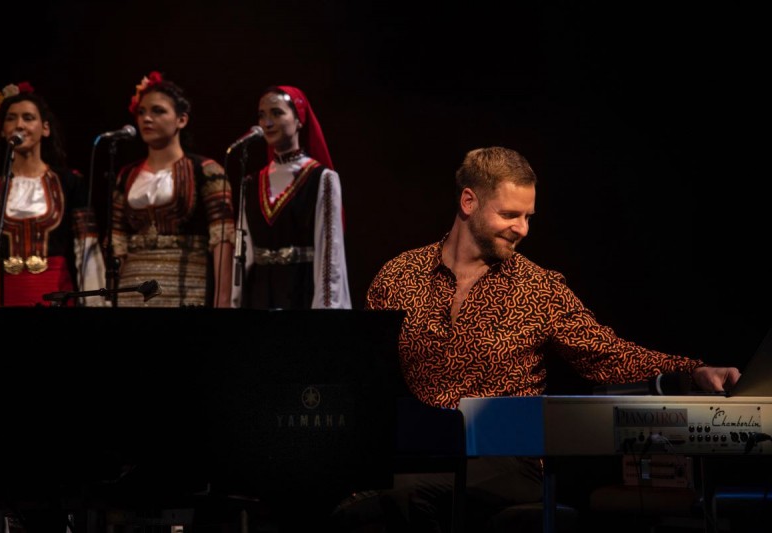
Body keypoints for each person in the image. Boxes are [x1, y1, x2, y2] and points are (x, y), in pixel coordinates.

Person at [333, 146, 741, 532]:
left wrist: (692, 370)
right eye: (510, 214)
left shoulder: (538, 288)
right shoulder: (399, 277)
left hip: (508, 459)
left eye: (528, 217)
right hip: (421, 450)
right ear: (469, 202)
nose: (522, 229)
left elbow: (608, 354)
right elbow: (367, 372)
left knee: (402, 494)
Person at [0, 81, 107, 307]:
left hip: (55, 295)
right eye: (11, 118)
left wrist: (94, 303)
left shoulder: (70, 182)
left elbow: (86, 252)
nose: (19, 125)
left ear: (45, 128)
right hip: (2, 297)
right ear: (3, 130)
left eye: (28, 118)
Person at [110, 71, 235, 307]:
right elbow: (117, 242)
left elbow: (223, 239)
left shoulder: (207, 171)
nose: (147, 119)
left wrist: (223, 301)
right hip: (132, 292)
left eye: (158, 111)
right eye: (141, 112)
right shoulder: (126, 176)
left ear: (182, 120)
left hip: (187, 290)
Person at [231, 85, 351, 310]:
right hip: (260, 293)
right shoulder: (251, 182)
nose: (267, 123)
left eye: (277, 113)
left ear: (299, 120)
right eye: (262, 115)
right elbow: (244, 251)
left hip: (301, 290)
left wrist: (327, 309)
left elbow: (329, 251)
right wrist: (236, 301)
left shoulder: (321, 178)